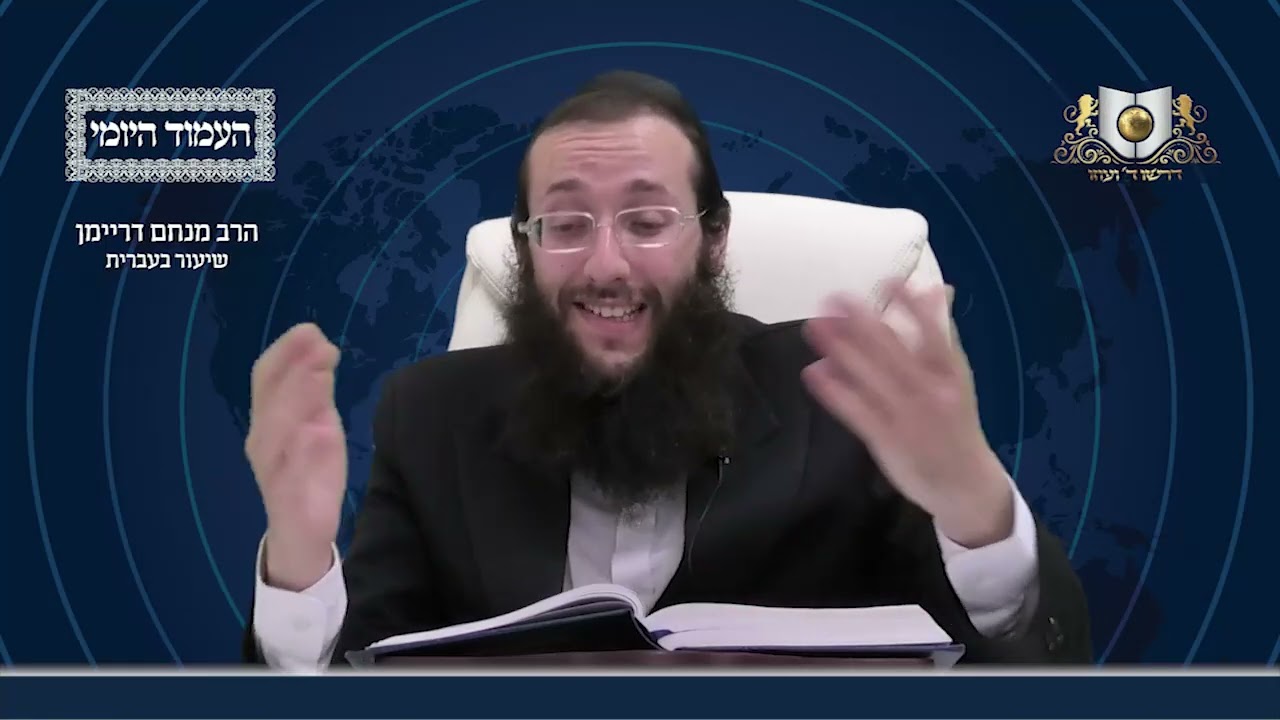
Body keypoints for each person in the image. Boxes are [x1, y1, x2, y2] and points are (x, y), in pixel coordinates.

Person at [242, 70, 1091, 670]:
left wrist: (978, 511)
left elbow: (1015, 672)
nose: (606, 265)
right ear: (527, 251)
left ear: (713, 240)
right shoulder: (429, 415)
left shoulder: (844, 390)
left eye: (647, 221)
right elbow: (358, 678)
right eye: (565, 225)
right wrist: (300, 561)